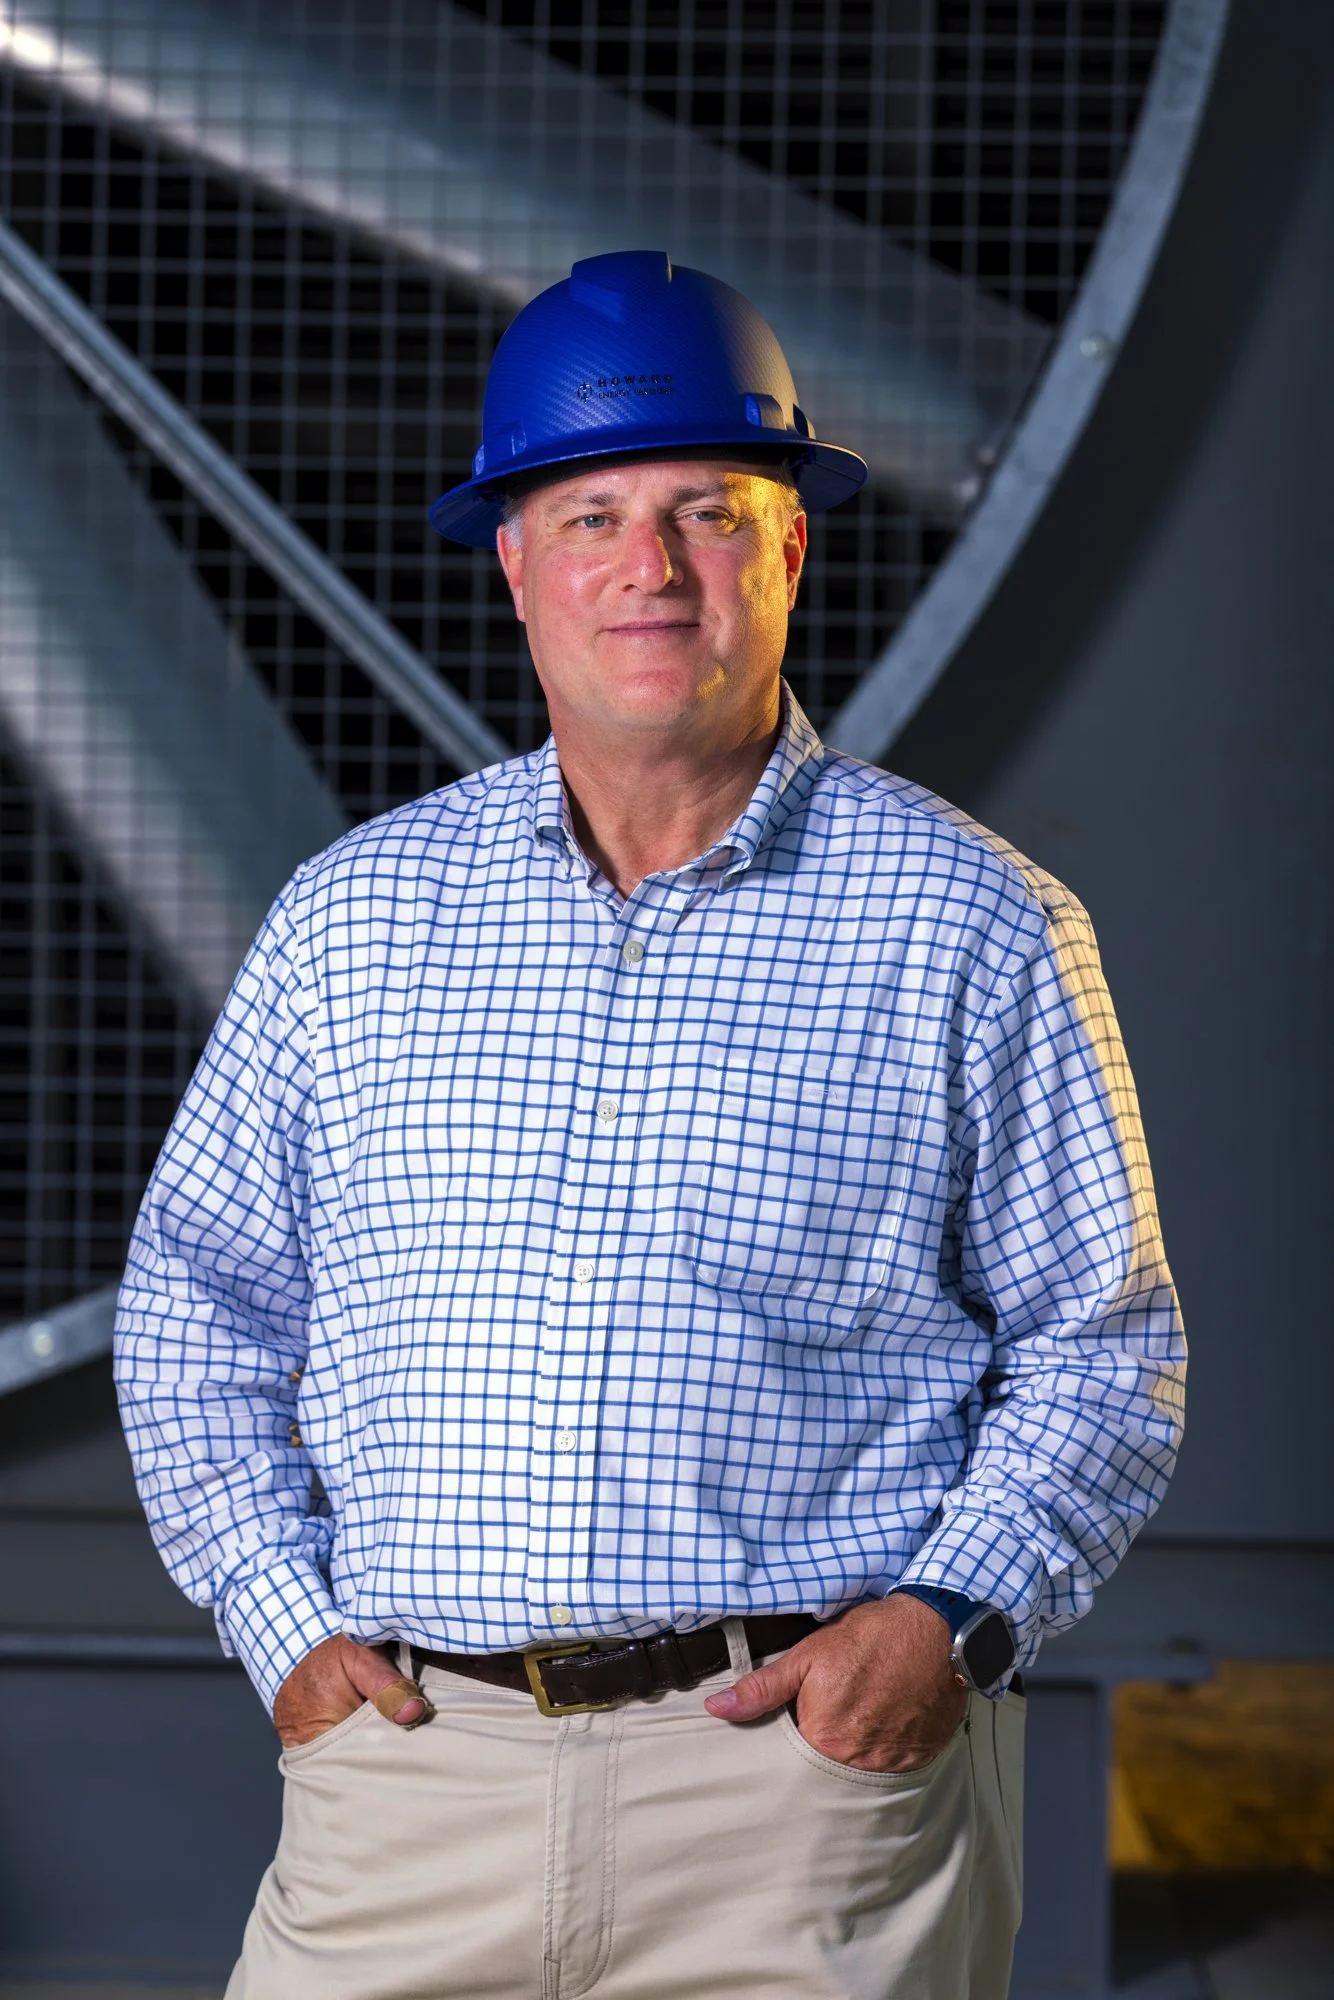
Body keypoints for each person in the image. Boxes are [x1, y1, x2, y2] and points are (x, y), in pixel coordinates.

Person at [114, 251, 1185, 2000]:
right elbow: (195, 1309)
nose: (650, 566)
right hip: (409, 1780)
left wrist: (940, 1632)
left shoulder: (974, 924)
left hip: (801, 1801)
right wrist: (284, 1633)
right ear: (515, 563)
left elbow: (1104, 1351)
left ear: (789, 546)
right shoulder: (352, 919)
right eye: (593, 513)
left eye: (704, 509)